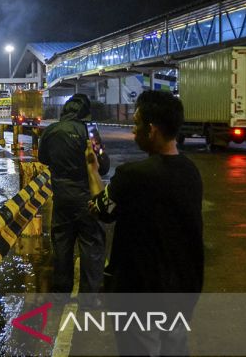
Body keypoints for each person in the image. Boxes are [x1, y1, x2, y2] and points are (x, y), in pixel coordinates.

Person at [87, 90, 203, 355]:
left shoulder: (133, 176)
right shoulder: (191, 172)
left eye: (136, 124)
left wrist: (92, 170)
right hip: (183, 290)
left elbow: (101, 210)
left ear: (151, 130)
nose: (132, 131)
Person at [38, 93, 108, 297]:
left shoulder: (51, 131)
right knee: (91, 246)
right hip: (88, 200)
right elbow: (103, 166)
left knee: (62, 247)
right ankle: (89, 295)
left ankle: (61, 292)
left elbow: (43, 158)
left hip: (61, 199)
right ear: (86, 111)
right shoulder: (91, 131)